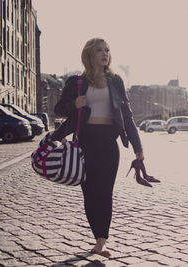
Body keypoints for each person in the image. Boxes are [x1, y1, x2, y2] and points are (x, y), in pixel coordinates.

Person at [53, 38, 144, 258]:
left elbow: (127, 117)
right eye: (99, 50)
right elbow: (59, 109)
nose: (105, 54)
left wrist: (137, 148)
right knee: (89, 193)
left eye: (107, 50)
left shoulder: (116, 81)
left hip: (108, 143)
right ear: (89, 55)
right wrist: (74, 104)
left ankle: (101, 242)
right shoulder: (76, 82)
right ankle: (97, 237)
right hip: (85, 142)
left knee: (105, 192)